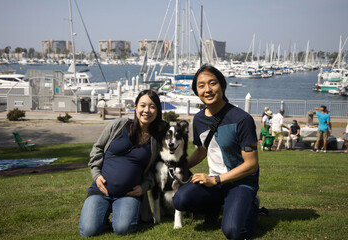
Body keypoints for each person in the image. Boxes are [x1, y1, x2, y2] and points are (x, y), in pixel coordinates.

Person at [172, 64, 260, 239]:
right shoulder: (198, 119)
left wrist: (216, 179)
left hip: (240, 182)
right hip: (214, 182)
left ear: (222, 85)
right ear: (196, 91)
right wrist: (180, 166)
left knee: (234, 232)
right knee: (180, 200)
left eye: (212, 83)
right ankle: (216, 206)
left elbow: (251, 165)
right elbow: (202, 150)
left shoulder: (242, 119)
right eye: (201, 85)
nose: (208, 89)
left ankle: (251, 205)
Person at [79, 90, 167, 237]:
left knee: (123, 229)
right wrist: (96, 174)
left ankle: (123, 211)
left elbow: (155, 171)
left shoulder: (156, 141)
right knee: (89, 231)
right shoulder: (118, 125)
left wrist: (143, 187)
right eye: (143, 105)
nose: (147, 110)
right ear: (135, 107)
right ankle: (103, 212)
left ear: (157, 110)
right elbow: (98, 148)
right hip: (101, 190)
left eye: (152, 107)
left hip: (129, 194)